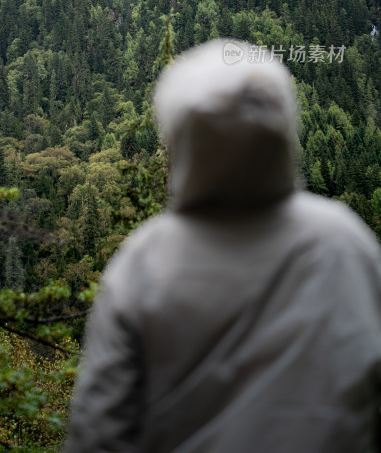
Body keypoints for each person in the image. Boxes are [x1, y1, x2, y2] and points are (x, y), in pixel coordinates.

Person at [64, 39, 381, 453]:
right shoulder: (345, 241)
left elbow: (98, 434)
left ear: (180, 136)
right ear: (283, 125)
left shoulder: (145, 260)